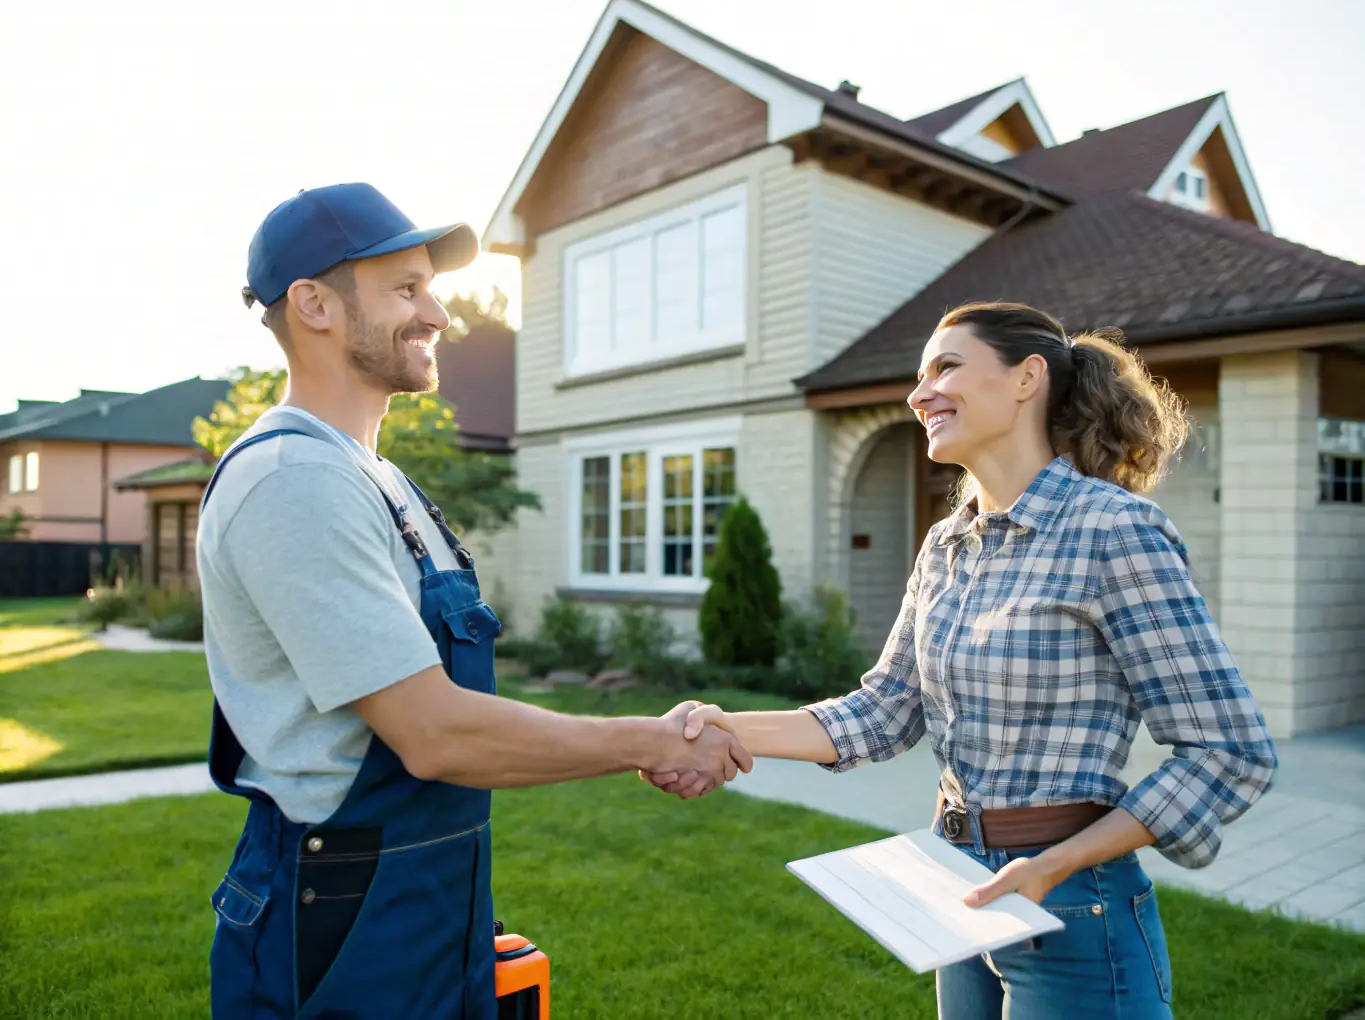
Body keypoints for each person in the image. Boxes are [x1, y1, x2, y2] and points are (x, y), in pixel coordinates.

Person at [197, 182, 752, 1019]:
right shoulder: (294, 481)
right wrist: (650, 739)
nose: (440, 317)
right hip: (340, 918)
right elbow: (432, 733)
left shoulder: (376, 479)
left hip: (425, 895)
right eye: (407, 289)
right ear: (313, 304)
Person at [644, 302, 1278, 1019]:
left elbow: (1229, 750)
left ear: (1025, 378)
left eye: (945, 366)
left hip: (1068, 903)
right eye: (919, 376)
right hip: (953, 885)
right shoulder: (946, 543)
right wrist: (713, 725)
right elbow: (882, 711)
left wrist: (1053, 866)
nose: (918, 395)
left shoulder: (1112, 529)